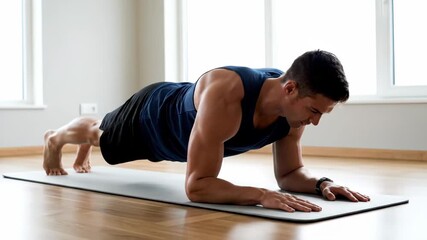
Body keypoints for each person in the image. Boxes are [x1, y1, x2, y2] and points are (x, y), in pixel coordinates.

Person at [43, 50, 370, 212]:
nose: (315, 122)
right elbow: (197, 186)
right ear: (290, 89)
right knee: (101, 137)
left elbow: (290, 174)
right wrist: (259, 195)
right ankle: (56, 138)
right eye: (315, 111)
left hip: (181, 137)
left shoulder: (291, 114)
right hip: (152, 117)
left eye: (322, 115)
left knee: (101, 136)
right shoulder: (228, 92)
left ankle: (87, 135)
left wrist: (322, 184)